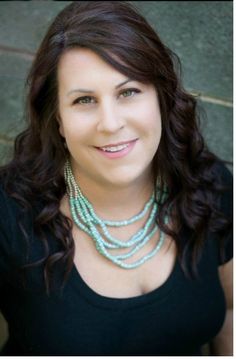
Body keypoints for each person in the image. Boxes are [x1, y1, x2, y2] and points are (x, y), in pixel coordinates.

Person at [0, 1, 233, 356]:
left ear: (161, 98)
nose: (110, 123)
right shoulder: (7, 212)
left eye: (128, 92)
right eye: (84, 100)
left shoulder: (209, 184)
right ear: (58, 119)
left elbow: (231, 310)